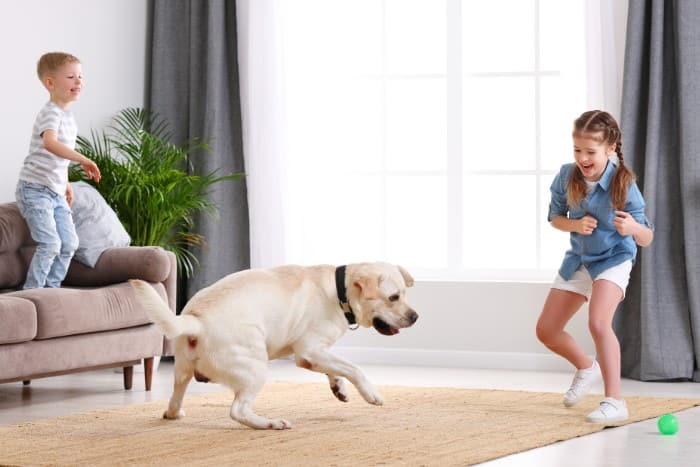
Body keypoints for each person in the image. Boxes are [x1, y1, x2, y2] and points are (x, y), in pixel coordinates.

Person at [536, 110, 654, 423]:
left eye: (590, 152)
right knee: (546, 330)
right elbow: (554, 218)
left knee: (599, 323)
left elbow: (647, 237)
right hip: (580, 259)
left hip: (614, 258)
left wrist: (632, 228)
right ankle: (587, 367)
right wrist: (574, 224)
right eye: (577, 150)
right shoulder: (566, 175)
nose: (583, 158)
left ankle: (615, 401)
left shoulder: (623, 183)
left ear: (610, 148)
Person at [15, 52, 101, 289]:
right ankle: (31, 293)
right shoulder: (50, 112)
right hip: (34, 190)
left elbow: (57, 161)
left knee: (70, 244)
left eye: (80, 77)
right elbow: (50, 144)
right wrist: (84, 159)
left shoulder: (69, 117)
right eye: (71, 77)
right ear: (50, 83)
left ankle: (51, 290)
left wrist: (65, 183)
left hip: (55, 192)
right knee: (50, 244)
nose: (78, 82)